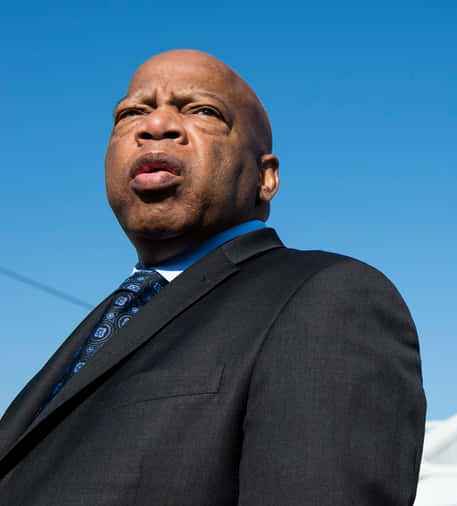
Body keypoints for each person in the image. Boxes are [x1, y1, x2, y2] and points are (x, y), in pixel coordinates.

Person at [0, 50, 426, 505]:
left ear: (267, 178)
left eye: (202, 111)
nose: (155, 126)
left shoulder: (327, 297)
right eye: (131, 113)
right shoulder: (110, 321)